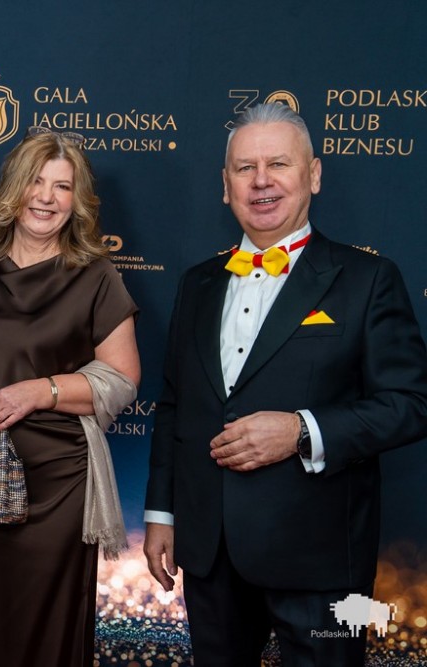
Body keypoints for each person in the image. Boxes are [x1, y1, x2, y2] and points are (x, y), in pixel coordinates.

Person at [143, 103, 427, 666]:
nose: (261, 180)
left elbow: (412, 403)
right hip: (210, 552)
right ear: (226, 185)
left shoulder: (368, 278)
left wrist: (301, 430)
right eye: (244, 168)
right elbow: (175, 406)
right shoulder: (197, 283)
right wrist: (161, 515)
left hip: (320, 557)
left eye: (278, 163)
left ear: (313, 175)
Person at [0, 128, 140, 666]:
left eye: (62, 187)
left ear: (77, 200)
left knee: (46, 634)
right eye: (35, 182)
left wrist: (41, 391)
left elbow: (122, 379)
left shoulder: (96, 276)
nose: (46, 198)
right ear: (13, 190)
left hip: (60, 488)